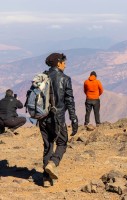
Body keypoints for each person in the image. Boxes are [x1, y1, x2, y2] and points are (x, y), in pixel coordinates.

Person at [39, 53, 78, 187]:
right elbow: (69, 100)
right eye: (63, 62)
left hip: (43, 118)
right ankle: (53, 163)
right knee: (62, 142)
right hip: (58, 118)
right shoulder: (65, 79)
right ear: (58, 63)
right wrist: (73, 119)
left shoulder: (42, 77)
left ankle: (45, 179)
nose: (65, 64)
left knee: (48, 145)